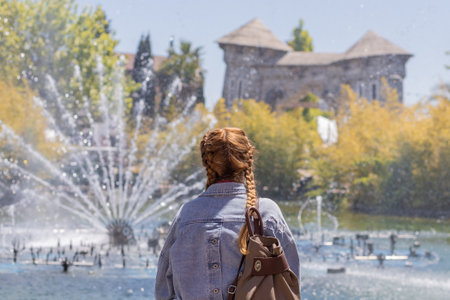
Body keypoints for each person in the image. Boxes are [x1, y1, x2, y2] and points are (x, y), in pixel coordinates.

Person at [155, 127, 300, 299]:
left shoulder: (186, 215)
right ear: (248, 160)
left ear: (206, 162)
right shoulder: (265, 213)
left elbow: (164, 290)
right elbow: (290, 283)